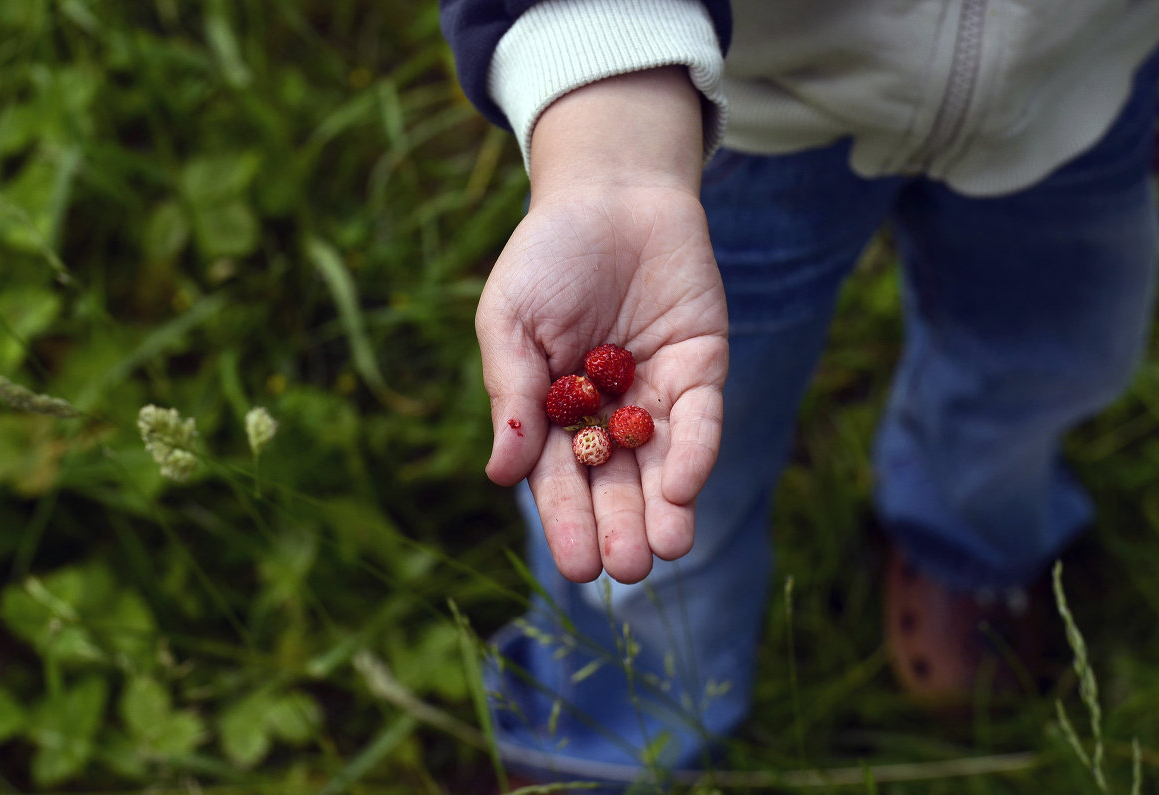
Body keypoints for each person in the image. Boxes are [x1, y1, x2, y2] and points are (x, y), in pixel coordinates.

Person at [441, 0, 1159, 786]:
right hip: (730, 112)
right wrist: (612, 145)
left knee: (1041, 359)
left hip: (1083, 84)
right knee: (679, 494)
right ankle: (627, 714)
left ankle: (972, 531)